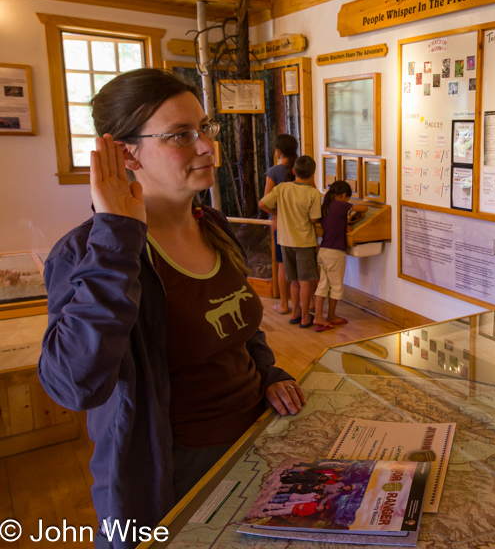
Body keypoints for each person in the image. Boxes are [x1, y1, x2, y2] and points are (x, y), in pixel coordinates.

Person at [38, 68, 306, 549]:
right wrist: (118, 237)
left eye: (205, 127)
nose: (206, 145)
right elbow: (74, 384)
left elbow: (240, 328)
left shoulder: (214, 226)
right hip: (169, 473)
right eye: (181, 134)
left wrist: (268, 373)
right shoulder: (88, 252)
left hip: (255, 443)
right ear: (125, 154)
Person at [259, 156, 322, 328]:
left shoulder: (282, 188)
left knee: (293, 280)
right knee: (305, 281)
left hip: (285, 241)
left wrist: (275, 212)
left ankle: (294, 312)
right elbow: (315, 219)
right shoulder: (313, 193)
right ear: (313, 174)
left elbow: (262, 203)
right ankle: (305, 318)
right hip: (305, 242)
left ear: (293, 171)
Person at [312, 181, 367, 332]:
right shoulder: (340, 205)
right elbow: (364, 208)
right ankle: (331, 316)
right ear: (343, 195)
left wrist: (346, 223)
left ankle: (318, 316)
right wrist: (353, 209)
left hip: (323, 251)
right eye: (348, 198)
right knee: (335, 286)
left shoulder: (327, 205)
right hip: (335, 253)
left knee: (323, 284)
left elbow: (334, 223)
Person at [263, 133, 301, 316]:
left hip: (281, 225)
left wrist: (276, 214)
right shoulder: (302, 168)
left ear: (278, 151)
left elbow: (265, 201)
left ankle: (285, 304)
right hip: (302, 224)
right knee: (303, 262)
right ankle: (306, 304)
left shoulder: (274, 172)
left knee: (282, 264)